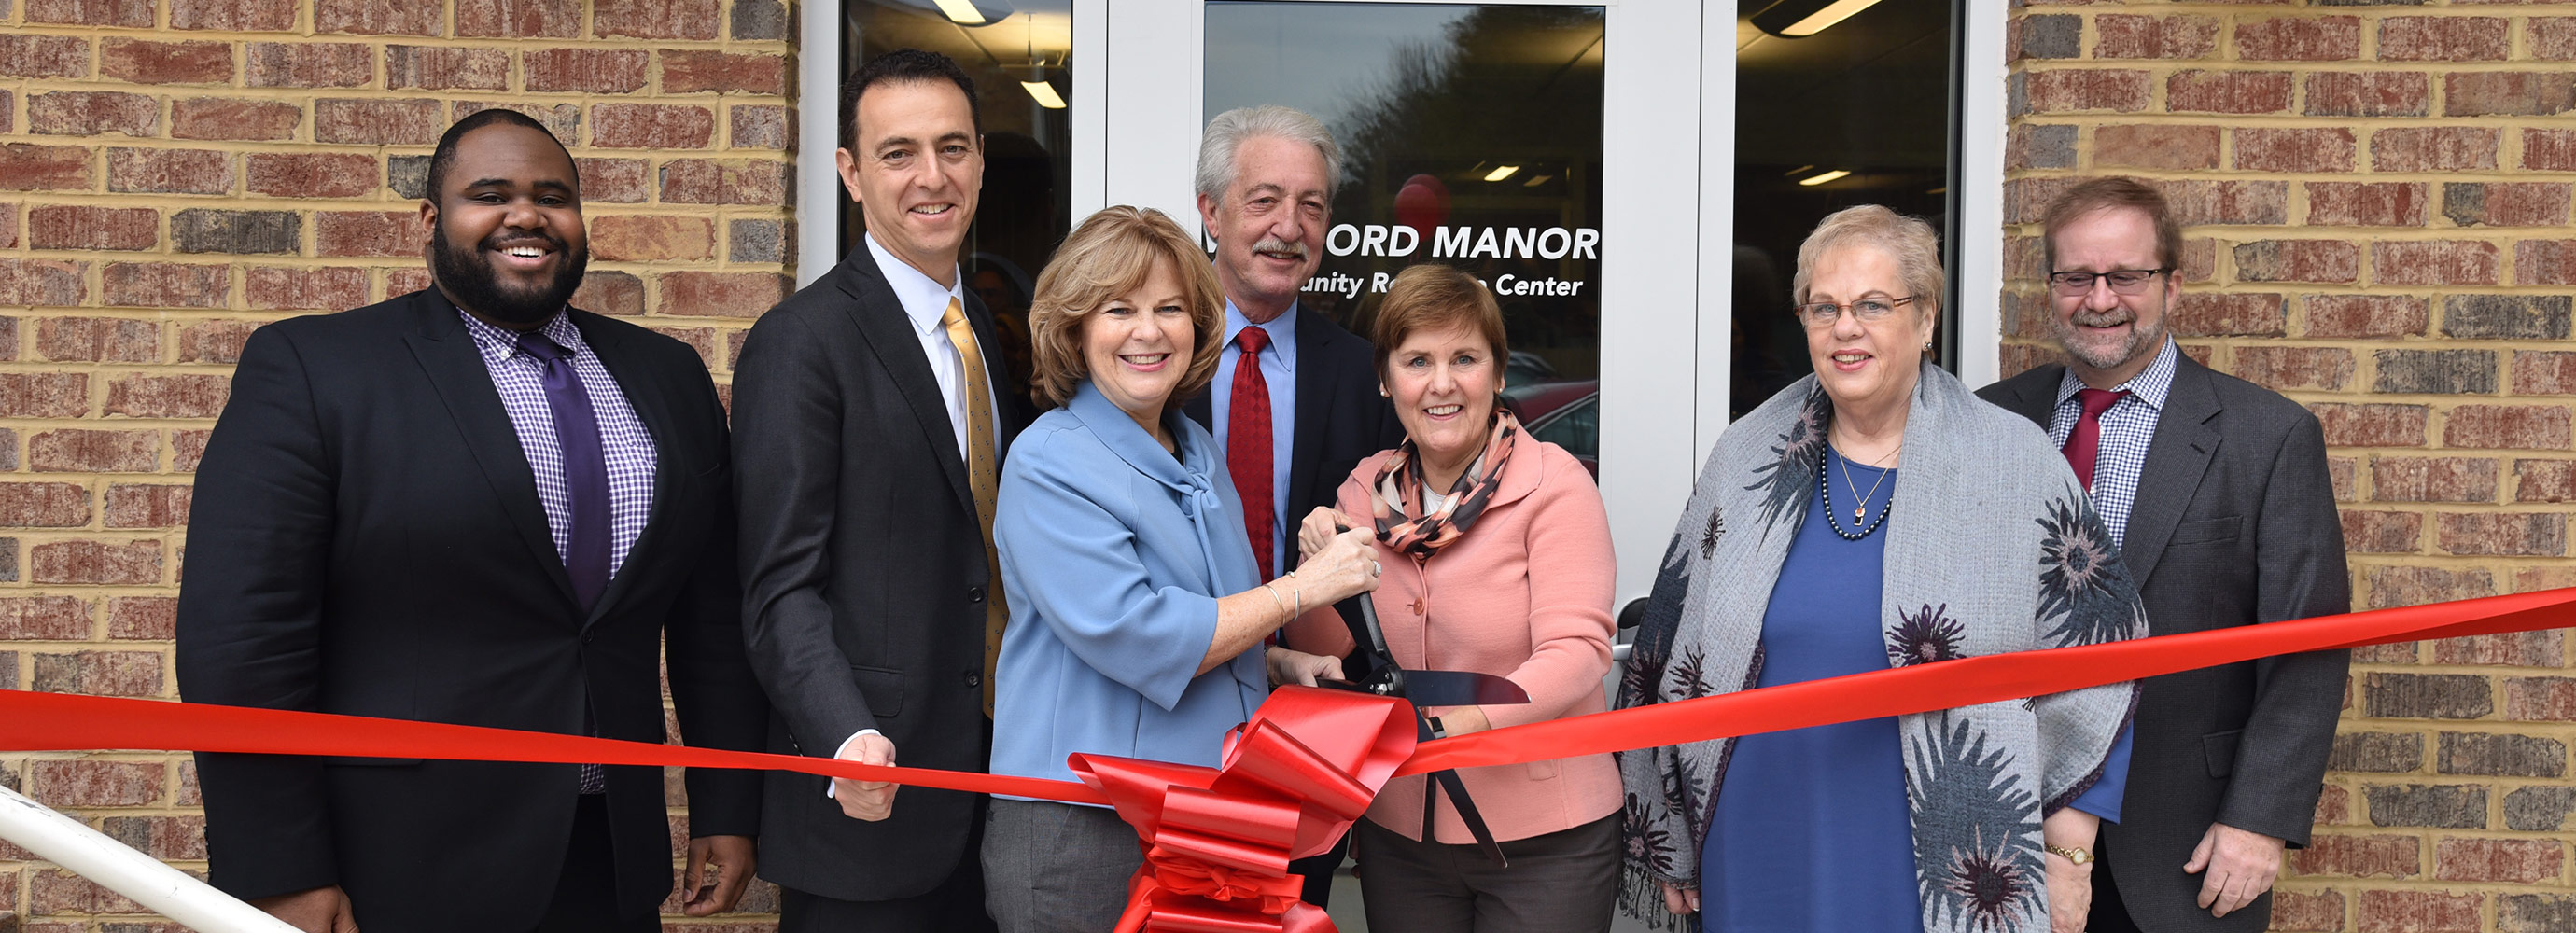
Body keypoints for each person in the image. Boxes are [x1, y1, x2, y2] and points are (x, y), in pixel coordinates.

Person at [175, 108, 767, 933]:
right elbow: (242, 641)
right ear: (431, 220)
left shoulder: (667, 377)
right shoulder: (317, 372)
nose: (526, 216)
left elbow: (710, 618)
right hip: (398, 866)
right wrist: (280, 869)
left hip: (607, 855)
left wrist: (727, 803)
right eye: (489, 194)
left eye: (553, 197)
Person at [1617, 205, 2144, 933]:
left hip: (1937, 840)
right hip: (1756, 826)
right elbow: (1667, 644)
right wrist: (1668, 833)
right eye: (1823, 307)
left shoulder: (2012, 463)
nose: (1845, 328)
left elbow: (2102, 650)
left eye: (1872, 305)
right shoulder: (1745, 457)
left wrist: (2069, 851)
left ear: (1925, 318)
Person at [981, 206, 1381, 933]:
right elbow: (1142, 635)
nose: (1148, 330)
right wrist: (1304, 590)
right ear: (1074, 328)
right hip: (1084, 826)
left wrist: (1279, 662)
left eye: (1170, 309)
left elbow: (1214, 610)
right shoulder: (1049, 460)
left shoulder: (1193, 447)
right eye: (1119, 309)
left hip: (1204, 813)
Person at [1978, 177, 2351, 933]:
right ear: (2051, 287)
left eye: (2126, 276)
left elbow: (2309, 648)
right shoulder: (1989, 422)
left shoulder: (2266, 438)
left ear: (2172, 285)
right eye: (2077, 276)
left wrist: (2260, 820)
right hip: (1999, 828)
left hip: (2182, 841)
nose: (2100, 297)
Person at [731, 49, 1023, 932]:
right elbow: (779, 587)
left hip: (997, 786)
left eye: (953, 148)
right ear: (850, 173)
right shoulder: (801, 343)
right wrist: (844, 733)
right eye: (898, 153)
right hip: (871, 794)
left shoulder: (992, 337)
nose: (931, 177)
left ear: (979, 160)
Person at [1281, 264, 1622, 933]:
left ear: (1497, 374)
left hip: (1546, 838)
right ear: (1386, 380)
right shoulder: (1363, 492)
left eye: (1464, 358)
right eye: (1417, 360)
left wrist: (1457, 730)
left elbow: (1578, 653)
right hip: (1404, 835)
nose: (1441, 383)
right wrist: (1312, 572)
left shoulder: (1555, 485)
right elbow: (1336, 657)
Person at [1183, 103, 1404, 904]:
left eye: (1311, 205)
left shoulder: (1362, 373)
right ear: (1210, 212)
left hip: (1307, 713)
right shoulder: (1151, 358)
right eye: (1264, 199)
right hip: (1163, 702)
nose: (1290, 226)